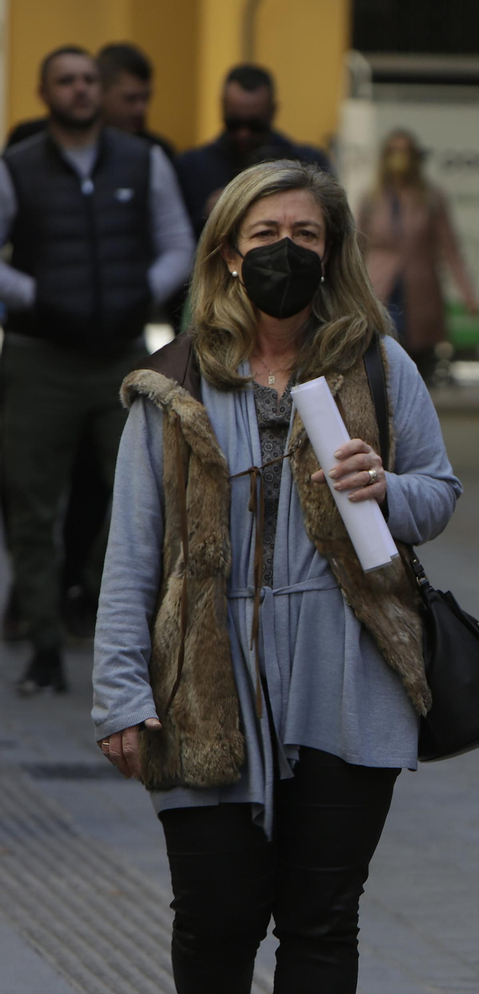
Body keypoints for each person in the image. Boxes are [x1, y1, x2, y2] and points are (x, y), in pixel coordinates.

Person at [92, 159, 461, 992]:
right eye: (265, 235)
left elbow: (438, 494)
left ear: (331, 253)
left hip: (345, 677)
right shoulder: (175, 380)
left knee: (322, 924)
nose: (284, 251)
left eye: (305, 235)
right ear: (227, 252)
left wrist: (386, 491)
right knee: (215, 922)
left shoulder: (377, 366)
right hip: (203, 682)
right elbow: (134, 551)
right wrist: (120, 691)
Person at [0, 45, 194, 694]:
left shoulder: (144, 162)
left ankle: (94, 604)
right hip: (38, 360)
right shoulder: (19, 166)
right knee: (30, 505)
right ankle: (45, 643)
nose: (80, 90)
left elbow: (177, 243)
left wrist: (139, 292)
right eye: (67, 81)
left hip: (120, 356)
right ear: (44, 90)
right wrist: (33, 295)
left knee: (139, 495)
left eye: (89, 80)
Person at [358, 127, 479, 384]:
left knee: (416, 358)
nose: (400, 158)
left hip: (420, 289)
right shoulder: (371, 198)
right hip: (381, 289)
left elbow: (451, 249)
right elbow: (356, 247)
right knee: (383, 351)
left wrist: (468, 294)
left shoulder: (431, 198)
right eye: (394, 151)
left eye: (405, 152)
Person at [174, 63, 333, 239]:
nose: (244, 134)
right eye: (234, 123)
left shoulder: (308, 163)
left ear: (273, 111)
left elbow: (331, 227)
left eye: (256, 125)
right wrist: (208, 217)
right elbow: (173, 240)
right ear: (222, 107)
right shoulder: (190, 167)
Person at [6, 43, 177, 162]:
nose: (141, 109)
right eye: (130, 98)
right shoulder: (26, 141)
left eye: (146, 98)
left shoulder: (152, 153)